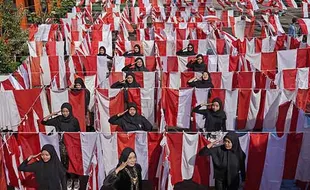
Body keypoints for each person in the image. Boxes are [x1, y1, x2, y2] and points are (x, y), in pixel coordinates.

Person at [41, 103, 80, 190]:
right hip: (62, 144)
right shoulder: (58, 119)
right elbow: (43, 121)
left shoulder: (74, 120)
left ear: (70, 111)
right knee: (64, 162)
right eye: (63, 111)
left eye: (67, 111)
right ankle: (69, 179)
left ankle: (76, 179)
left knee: (74, 161)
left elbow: (78, 132)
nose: (65, 113)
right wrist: (52, 114)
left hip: (73, 144)